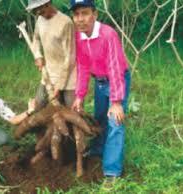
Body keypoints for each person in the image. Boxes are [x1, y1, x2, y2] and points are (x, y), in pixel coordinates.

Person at [70, 0, 131, 182]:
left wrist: (117, 102)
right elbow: (82, 66)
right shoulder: (79, 36)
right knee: (99, 117)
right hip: (100, 81)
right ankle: (98, 149)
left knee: (115, 121)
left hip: (117, 79)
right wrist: (79, 96)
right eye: (77, 14)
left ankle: (112, 171)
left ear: (95, 14)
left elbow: (115, 67)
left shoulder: (108, 34)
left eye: (85, 13)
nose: (81, 19)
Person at [26, 0, 76, 108]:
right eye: (35, 10)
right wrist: (38, 56)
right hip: (48, 72)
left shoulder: (65, 22)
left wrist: (60, 85)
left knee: (72, 112)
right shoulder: (40, 20)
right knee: (38, 107)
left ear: (48, 4)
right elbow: (36, 39)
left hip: (69, 75)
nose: (38, 12)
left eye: (40, 9)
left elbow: (70, 56)